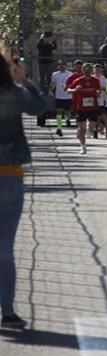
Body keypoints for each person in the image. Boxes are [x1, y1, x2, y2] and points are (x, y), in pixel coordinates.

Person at [0, 50, 47, 329]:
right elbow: (40, 108)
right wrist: (25, 80)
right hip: (9, 176)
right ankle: (7, 310)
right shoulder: (13, 92)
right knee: (4, 247)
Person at [66, 63, 102, 155]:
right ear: (82, 70)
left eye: (89, 69)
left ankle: (86, 131)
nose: (87, 71)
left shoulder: (95, 80)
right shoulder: (78, 80)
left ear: (92, 70)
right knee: (82, 128)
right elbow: (68, 90)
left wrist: (98, 93)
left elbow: (99, 90)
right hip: (81, 107)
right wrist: (75, 90)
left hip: (93, 107)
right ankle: (83, 147)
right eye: (85, 69)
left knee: (91, 128)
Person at [50, 60, 73, 137]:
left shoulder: (70, 74)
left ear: (65, 66)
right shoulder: (55, 74)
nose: (62, 66)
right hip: (59, 96)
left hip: (68, 96)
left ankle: (67, 120)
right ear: (58, 66)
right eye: (60, 65)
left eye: (63, 65)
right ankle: (59, 127)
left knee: (67, 111)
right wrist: (52, 88)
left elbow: (72, 83)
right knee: (59, 112)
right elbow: (53, 83)